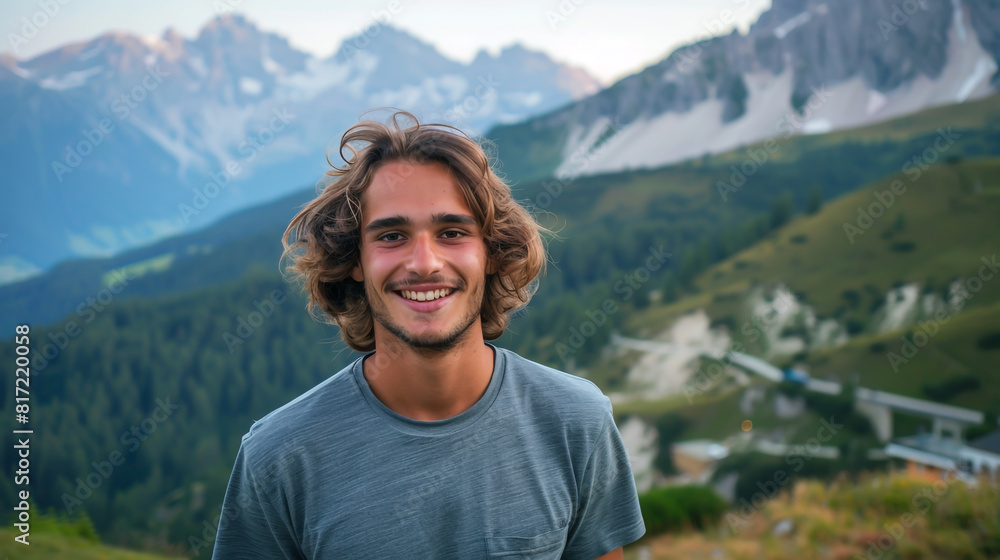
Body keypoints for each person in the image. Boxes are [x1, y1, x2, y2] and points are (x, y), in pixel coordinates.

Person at [211, 111, 645, 559]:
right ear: (354, 260)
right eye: (392, 235)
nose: (424, 262)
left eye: (452, 232)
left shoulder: (577, 423)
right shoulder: (277, 457)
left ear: (492, 252)